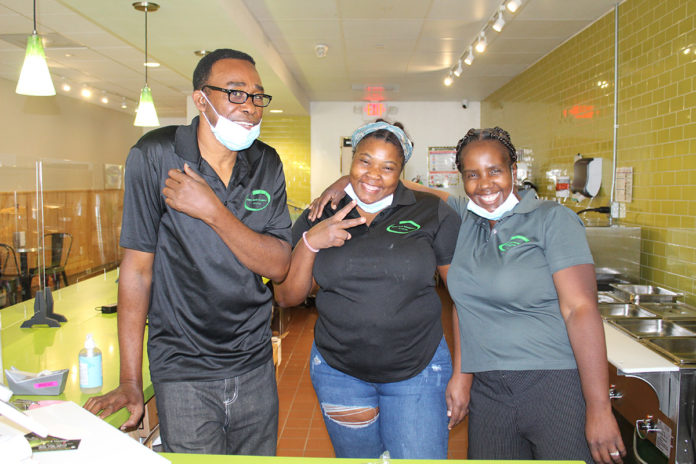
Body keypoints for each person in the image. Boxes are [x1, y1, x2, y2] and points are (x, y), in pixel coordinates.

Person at [310, 127, 626, 464]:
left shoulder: (552, 219)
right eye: (472, 174)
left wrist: (599, 407)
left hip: (551, 383)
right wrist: (346, 181)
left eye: (495, 171)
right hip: (489, 391)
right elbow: (400, 186)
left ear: (514, 171)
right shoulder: (466, 219)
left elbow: (581, 310)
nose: (485, 184)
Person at [84, 48, 292, 455]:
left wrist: (213, 211)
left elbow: (279, 265)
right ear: (201, 99)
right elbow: (137, 270)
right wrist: (130, 379)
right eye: (235, 93)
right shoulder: (155, 155)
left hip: (253, 361)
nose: (250, 106)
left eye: (257, 96)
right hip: (182, 367)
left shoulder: (266, 162)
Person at [273, 121, 469, 459]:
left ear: (401, 173)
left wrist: (463, 375)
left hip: (418, 370)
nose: (373, 175)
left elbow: (466, 300)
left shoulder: (431, 212)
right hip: (340, 373)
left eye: (387, 166)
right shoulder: (321, 213)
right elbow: (287, 297)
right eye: (365, 161)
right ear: (350, 161)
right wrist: (310, 242)